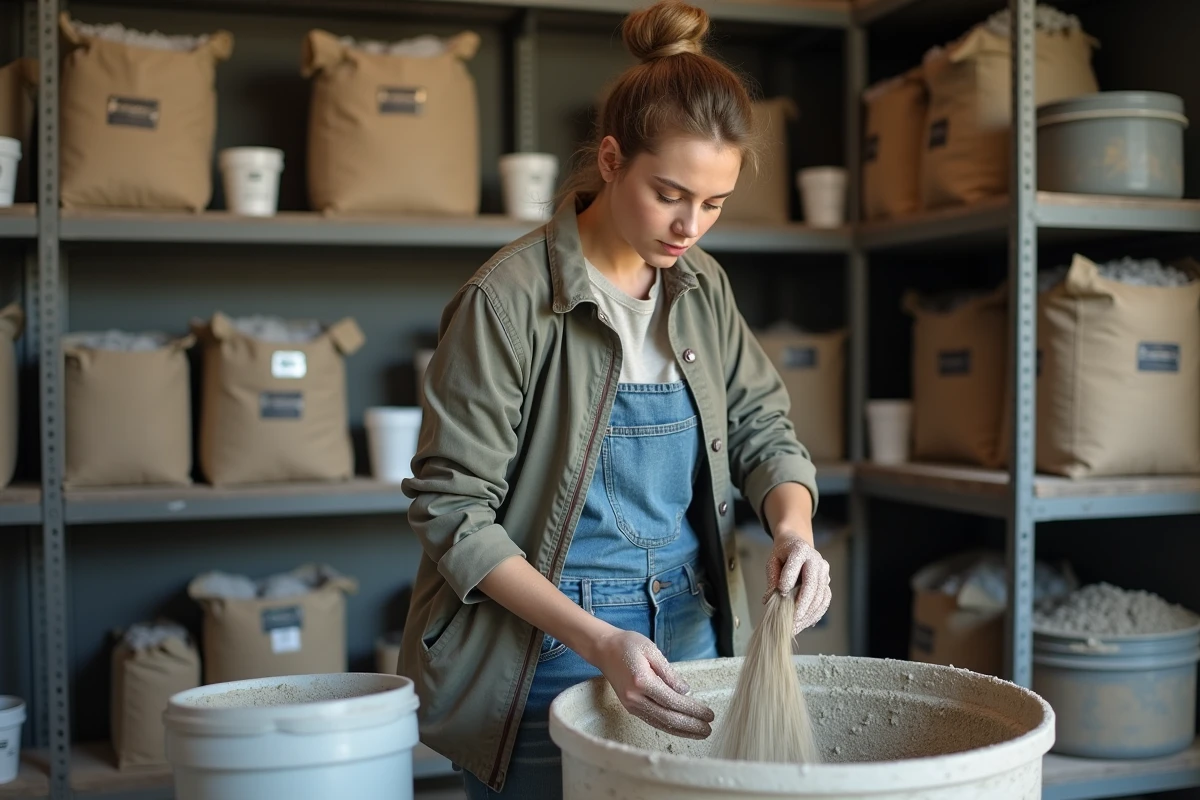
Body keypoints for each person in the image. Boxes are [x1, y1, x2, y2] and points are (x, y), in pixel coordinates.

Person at [399, 1, 832, 796]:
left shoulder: (701, 288)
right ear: (609, 160)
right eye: (670, 193)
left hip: (694, 628)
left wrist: (794, 531)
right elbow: (453, 511)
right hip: (545, 646)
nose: (689, 226)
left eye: (714, 204)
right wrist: (599, 641)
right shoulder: (507, 302)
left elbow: (763, 429)